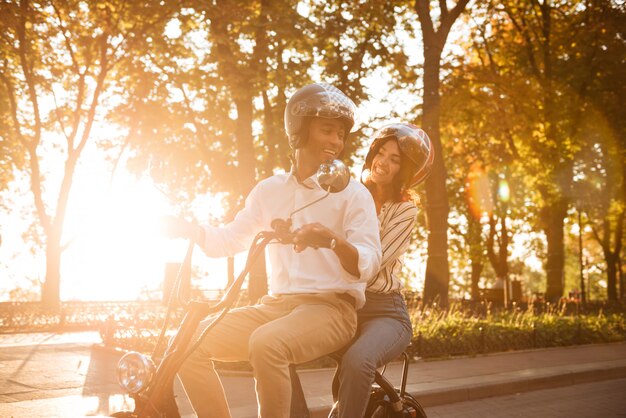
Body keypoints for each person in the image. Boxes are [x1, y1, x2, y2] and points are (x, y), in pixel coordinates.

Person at [163, 82, 382, 418]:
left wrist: (333, 241)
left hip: (332, 310)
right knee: (187, 344)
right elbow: (232, 239)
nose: (336, 142)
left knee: (267, 343)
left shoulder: (352, 194)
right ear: (299, 129)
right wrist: (189, 230)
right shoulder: (269, 190)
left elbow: (370, 262)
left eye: (341, 134)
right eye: (328, 130)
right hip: (276, 307)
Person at [332, 122, 434, 418]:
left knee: (358, 362)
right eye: (381, 152)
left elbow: (372, 261)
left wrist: (369, 199)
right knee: (284, 345)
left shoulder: (405, 210)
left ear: (404, 170)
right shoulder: (348, 194)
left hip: (385, 311)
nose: (383, 162)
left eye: (395, 159)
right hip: (345, 305)